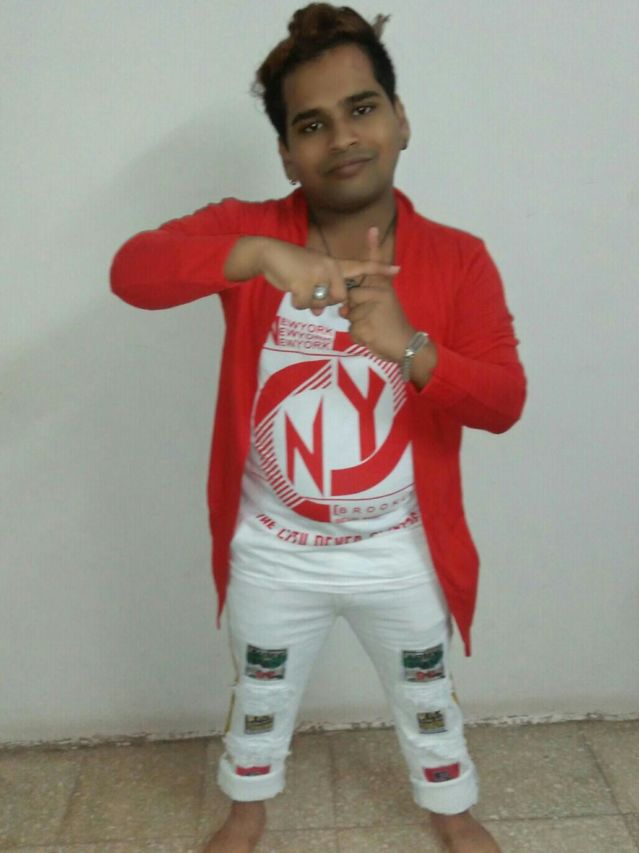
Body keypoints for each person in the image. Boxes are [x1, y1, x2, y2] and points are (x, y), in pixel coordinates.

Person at [110, 4, 526, 851]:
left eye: (362, 108)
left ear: (400, 119)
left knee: (426, 692)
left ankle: (451, 809)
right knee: (260, 696)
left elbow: (503, 402)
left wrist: (411, 347)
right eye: (312, 124)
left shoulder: (459, 258)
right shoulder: (254, 229)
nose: (342, 137)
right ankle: (246, 810)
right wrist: (259, 256)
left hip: (399, 547)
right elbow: (132, 271)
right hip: (274, 545)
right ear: (286, 151)